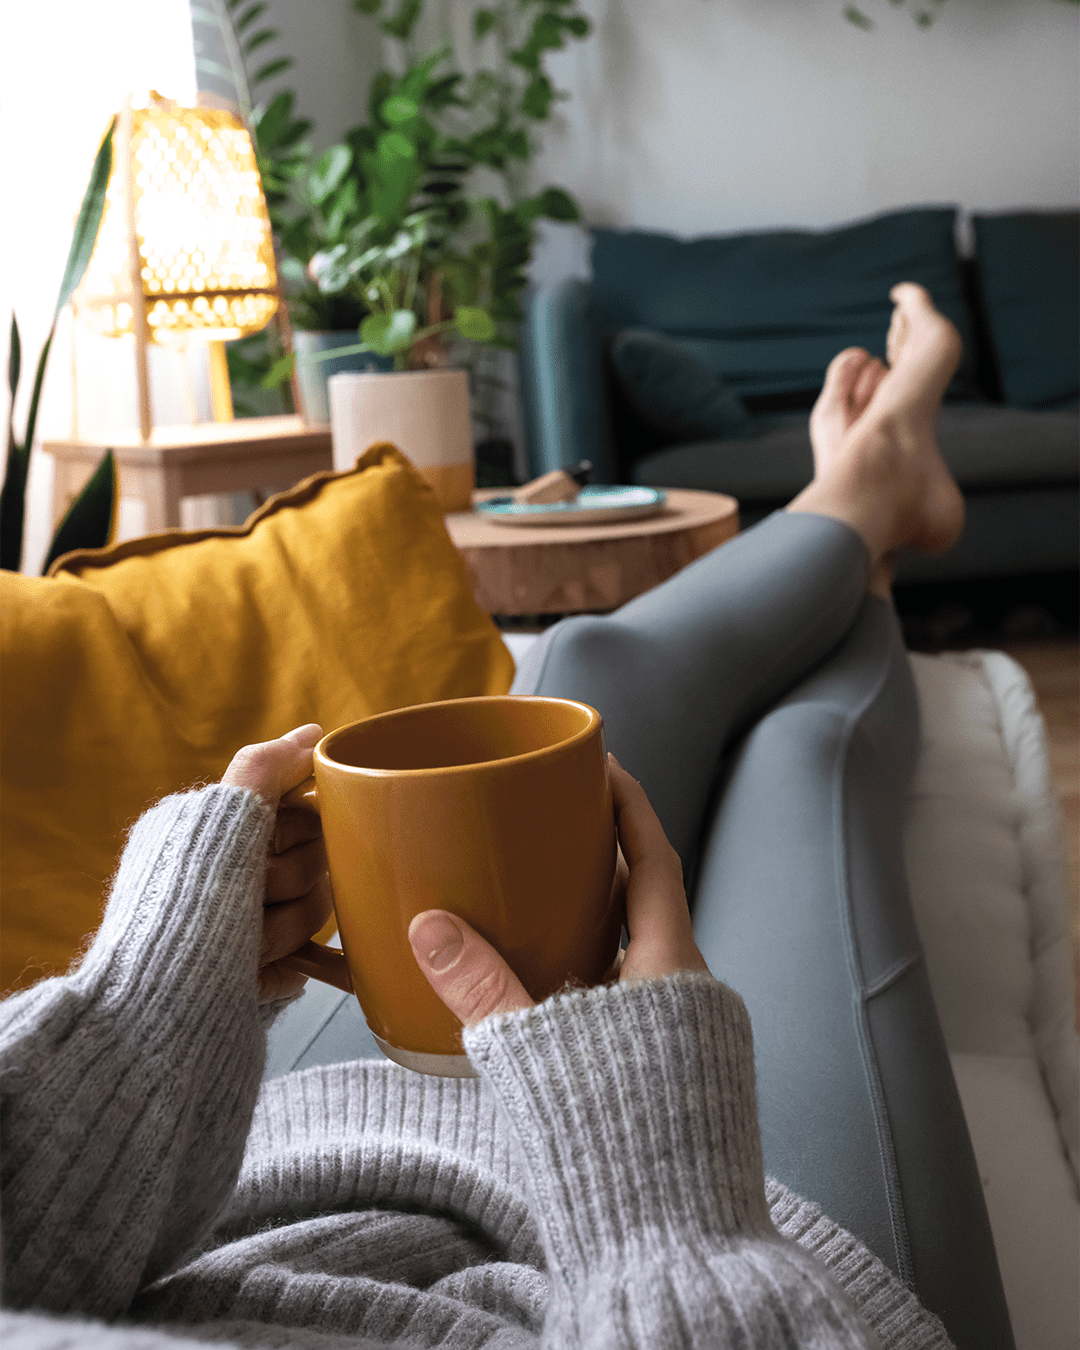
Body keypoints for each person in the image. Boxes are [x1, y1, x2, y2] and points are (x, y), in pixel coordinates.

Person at [0, 285, 1012, 1350]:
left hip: (287, 1172)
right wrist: (662, 1206)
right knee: (803, 751)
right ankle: (873, 510)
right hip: (711, 1274)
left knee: (585, 670)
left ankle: (869, 503)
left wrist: (133, 1021)